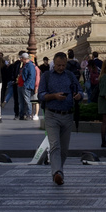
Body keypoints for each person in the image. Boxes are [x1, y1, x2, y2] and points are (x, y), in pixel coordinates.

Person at [39, 51, 84, 186]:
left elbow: (80, 90)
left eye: (63, 65)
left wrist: (78, 96)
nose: (61, 68)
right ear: (54, 63)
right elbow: (41, 95)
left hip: (67, 114)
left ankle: (59, 171)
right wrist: (54, 96)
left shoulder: (70, 75)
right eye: (58, 65)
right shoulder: (47, 76)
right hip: (52, 114)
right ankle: (57, 172)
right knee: (55, 146)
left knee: (64, 149)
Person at [14, 52, 37, 121]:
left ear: (24, 58)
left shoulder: (30, 65)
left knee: (27, 100)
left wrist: (26, 84)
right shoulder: (23, 65)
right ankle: (22, 114)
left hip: (25, 85)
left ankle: (29, 114)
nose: (20, 59)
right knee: (21, 101)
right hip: (20, 85)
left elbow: (31, 76)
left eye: (21, 58)